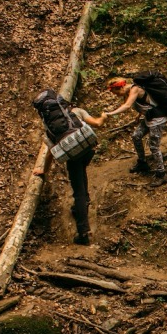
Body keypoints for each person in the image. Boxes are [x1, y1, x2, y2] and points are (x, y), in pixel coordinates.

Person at [33, 90, 105, 245]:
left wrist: (43, 170)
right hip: (87, 150)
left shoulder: (50, 127)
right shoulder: (76, 112)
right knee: (81, 176)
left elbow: (51, 152)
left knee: (78, 191)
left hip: (73, 156)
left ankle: (83, 233)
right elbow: (97, 123)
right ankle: (82, 204)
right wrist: (103, 116)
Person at [105, 75, 167, 187]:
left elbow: (127, 106)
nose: (116, 95)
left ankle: (162, 174)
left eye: (116, 93)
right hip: (150, 117)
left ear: (120, 88)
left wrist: (109, 114)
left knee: (154, 146)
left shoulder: (135, 89)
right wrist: (139, 115)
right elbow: (145, 102)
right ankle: (142, 163)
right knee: (136, 136)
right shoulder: (128, 92)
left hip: (158, 118)